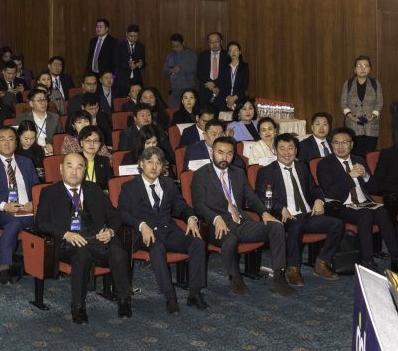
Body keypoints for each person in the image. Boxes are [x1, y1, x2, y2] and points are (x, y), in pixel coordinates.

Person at [35, 153, 133, 323]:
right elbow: (41, 223)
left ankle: (124, 300)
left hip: (96, 238)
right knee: (82, 255)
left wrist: (109, 231)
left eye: (79, 167)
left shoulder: (94, 189)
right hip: (69, 242)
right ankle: (78, 306)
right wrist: (65, 234)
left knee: (118, 252)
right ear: (61, 169)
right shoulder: (49, 192)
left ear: (85, 170)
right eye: (69, 166)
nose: (74, 171)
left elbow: (115, 216)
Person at [191, 137, 291, 297]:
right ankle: (235, 278)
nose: (225, 157)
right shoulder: (201, 174)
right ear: (212, 153)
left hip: (241, 223)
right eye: (220, 152)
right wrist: (216, 219)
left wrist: (264, 213)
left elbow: (251, 198)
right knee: (230, 239)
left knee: (277, 227)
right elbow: (199, 205)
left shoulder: (238, 173)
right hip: (216, 225)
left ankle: (279, 277)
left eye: (229, 153)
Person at [116, 148, 209, 312]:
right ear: (141, 164)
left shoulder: (168, 184)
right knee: (157, 247)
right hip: (146, 234)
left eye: (158, 163)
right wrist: (141, 225)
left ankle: (194, 293)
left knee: (197, 244)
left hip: (169, 231)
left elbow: (181, 206)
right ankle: (170, 297)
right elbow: (123, 213)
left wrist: (190, 218)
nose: (154, 166)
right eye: (150, 162)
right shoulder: (129, 187)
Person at [255, 133, 343, 283]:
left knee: (338, 224)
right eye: (282, 149)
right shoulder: (266, 171)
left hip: (308, 214)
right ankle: (293, 268)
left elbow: (314, 188)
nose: (286, 153)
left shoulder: (302, 166)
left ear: (296, 150)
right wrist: (279, 207)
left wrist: (319, 200)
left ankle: (322, 262)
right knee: (296, 225)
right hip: (286, 216)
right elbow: (262, 196)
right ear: (275, 151)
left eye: (290, 148)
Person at [315, 130, 398, 271]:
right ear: (331, 145)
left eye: (345, 142)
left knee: (382, 211)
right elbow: (330, 193)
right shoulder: (325, 164)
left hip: (364, 202)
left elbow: (374, 188)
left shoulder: (358, 160)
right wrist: (350, 176)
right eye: (336, 143)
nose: (340, 146)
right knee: (365, 214)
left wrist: (365, 175)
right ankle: (367, 261)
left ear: (352, 145)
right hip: (342, 206)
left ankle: (396, 257)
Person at [0, 128, 41, 283]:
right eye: (2, 139)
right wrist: (5, 206)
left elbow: (37, 188)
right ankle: (5, 266)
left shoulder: (26, 163)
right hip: (1, 213)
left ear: (16, 142)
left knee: (50, 219)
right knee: (13, 223)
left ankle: (48, 265)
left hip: (27, 210)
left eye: (11, 139)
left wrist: (33, 202)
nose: (7, 143)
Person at [341, 56, 383, 152]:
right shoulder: (348, 83)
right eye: (359, 66)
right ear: (355, 69)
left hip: (371, 127)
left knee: (369, 156)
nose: (362, 68)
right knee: (355, 156)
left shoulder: (375, 83)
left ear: (370, 69)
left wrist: (372, 117)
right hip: (353, 125)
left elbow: (379, 103)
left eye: (366, 66)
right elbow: (343, 103)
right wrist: (352, 117)